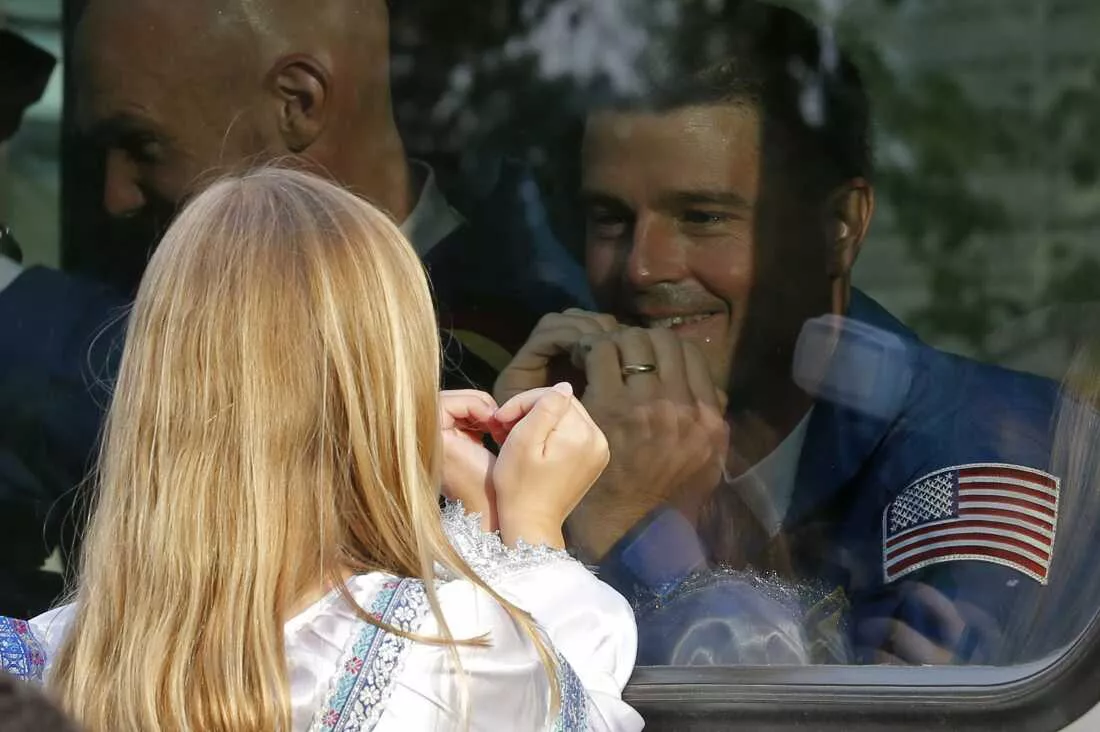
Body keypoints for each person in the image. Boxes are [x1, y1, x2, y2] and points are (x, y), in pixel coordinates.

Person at [494, 1, 1060, 666]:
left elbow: (852, 708)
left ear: (839, 227)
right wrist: (504, 476)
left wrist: (636, 531)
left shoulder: (982, 456)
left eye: (703, 217)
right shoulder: (590, 431)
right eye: (611, 219)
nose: (643, 267)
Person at [0, 0, 594, 616]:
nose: (116, 197)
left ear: (297, 103)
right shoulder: (129, 286)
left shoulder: (517, 338)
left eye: (142, 145)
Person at [7, 167, 641, 731]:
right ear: (386, 392)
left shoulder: (40, 664)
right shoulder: (441, 659)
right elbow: (564, 711)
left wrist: (476, 518)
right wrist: (532, 538)